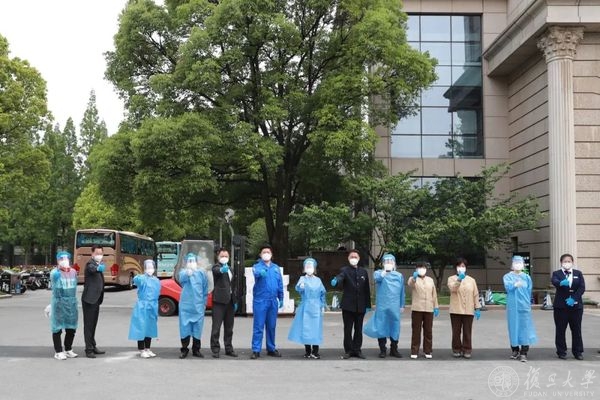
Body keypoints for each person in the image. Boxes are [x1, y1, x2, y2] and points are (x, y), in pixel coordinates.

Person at [331, 249, 371, 359]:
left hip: (361, 305)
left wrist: (368, 305)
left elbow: (366, 289)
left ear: (359, 258)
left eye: (355, 257)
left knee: (359, 329)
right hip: (348, 305)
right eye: (351, 257)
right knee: (348, 329)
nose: (353, 259)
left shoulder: (363, 272)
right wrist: (336, 281)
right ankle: (348, 350)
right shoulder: (344, 270)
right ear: (348, 259)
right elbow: (340, 277)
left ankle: (357, 350)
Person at [364, 253, 405, 358]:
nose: (388, 263)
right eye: (386, 261)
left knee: (395, 326)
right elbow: (377, 279)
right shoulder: (378, 273)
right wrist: (384, 273)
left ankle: (394, 349)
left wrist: (402, 305)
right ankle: (382, 349)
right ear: (383, 263)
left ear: (394, 263)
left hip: (394, 306)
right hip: (382, 306)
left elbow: (402, 292)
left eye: (391, 261)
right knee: (381, 326)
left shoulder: (399, 276)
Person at [288, 257, 326, 359]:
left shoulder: (318, 280)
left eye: (311, 266)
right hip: (306, 306)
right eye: (307, 266)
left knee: (316, 329)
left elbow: (322, 293)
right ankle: (308, 351)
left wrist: (323, 305)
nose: (309, 268)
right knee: (306, 328)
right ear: (304, 268)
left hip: (316, 306)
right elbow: (298, 289)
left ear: (314, 268)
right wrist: (301, 287)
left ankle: (315, 351)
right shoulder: (302, 279)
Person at [250, 245, 284, 359]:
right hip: (260, 300)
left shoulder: (276, 268)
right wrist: (261, 273)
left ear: (271, 254)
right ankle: (256, 350)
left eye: (268, 252)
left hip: (272, 300)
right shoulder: (257, 266)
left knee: (271, 326)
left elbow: (280, 283)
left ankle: (271, 348)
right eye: (264, 252)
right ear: (260, 254)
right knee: (258, 326)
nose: (266, 254)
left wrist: (281, 297)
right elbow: (256, 273)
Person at [551, 253, 585, 360]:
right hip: (561, 307)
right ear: (561, 262)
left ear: (572, 262)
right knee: (560, 330)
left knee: (576, 330)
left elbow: (582, 288)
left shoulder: (578, 273)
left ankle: (578, 351)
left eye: (569, 261)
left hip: (576, 307)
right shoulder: (557, 273)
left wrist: (574, 298)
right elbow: (554, 281)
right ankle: (561, 351)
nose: (567, 263)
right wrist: (561, 283)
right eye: (565, 261)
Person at [503, 255, 537, 362]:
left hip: (524, 306)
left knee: (525, 328)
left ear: (523, 265)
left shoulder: (527, 277)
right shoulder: (507, 277)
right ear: (512, 264)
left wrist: (528, 303)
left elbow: (529, 291)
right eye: (515, 262)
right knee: (513, 327)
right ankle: (515, 350)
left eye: (520, 262)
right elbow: (508, 288)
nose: (517, 264)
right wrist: (514, 285)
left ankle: (524, 352)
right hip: (513, 307)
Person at [447, 257, 481, 359]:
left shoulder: (471, 280)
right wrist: (459, 279)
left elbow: (475, 294)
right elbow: (453, 289)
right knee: (456, 331)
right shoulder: (451, 279)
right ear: (456, 267)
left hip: (468, 310)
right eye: (459, 266)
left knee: (467, 331)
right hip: (456, 310)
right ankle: (456, 349)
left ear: (466, 267)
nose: (461, 268)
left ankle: (467, 349)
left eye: (463, 266)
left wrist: (477, 307)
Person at [48, 251, 79, 360]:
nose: (64, 261)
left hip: (71, 302)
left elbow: (75, 285)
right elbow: (54, 288)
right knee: (57, 328)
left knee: (71, 327)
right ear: (57, 260)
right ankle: (58, 351)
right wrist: (55, 278)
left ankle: (68, 349)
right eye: (61, 259)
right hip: (59, 302)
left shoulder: (73, 272)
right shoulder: (54, 273)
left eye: (66, 258)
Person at [178, 253, 209, 359]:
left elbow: (205, 289)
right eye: (189, 261)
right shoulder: (183, 272)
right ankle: (184, 350)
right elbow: (181, 279)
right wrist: (187, 274)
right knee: (184, 328)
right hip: (185, 306)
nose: (191, 263)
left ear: (196, 262)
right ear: (186, 262)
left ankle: (196, 350)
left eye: (193, 261)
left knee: (197, 328)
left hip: (198, 305)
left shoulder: (201, 273)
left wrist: (204, 303)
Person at [128, 259, 160, 358]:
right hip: (142, 306)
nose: (150, 269)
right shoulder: (142, 279)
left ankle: (148, 348)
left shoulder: (156, 280)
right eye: (148, 267)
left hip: (152, 306)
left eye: (152, 267)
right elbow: (136, 280)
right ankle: (141, 349)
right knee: (141, 327)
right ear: (145, 268)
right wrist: (139, 276)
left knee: (150, 327)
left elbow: (157, 293)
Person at [210, 248, 238, 358]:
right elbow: (217, 271)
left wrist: (235, 300)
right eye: (222, 256)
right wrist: (222, 270)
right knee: (216, 327)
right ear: (218, 257)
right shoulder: (216, 267)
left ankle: (229, 348)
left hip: (230, 301)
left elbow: (233, 286)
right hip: (219, 301)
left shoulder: (230, 269)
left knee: (229, 328)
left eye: (226, 256)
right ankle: (215, 349)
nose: (224, 258)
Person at [407, 261, 439, 359]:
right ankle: (414, 351)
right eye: (419, 268)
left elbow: (434, 294)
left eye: (423, 268)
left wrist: (436, 306)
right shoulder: (413, 279)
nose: (422, 269)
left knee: (428, 331)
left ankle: (428, 350)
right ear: (416, 269)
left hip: (429, 308)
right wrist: (414, 278)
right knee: (416, 331)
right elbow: (410, 284)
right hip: (417, 308)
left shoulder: (430, 280)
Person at [81, 244, 106, 358]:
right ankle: (88, 349)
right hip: (89, 299)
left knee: (93, 324)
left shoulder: (98, 263)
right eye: (97, 253)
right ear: (92, 254)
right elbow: (92, 269)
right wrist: (98, 268)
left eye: (101, 253)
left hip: (96, 299)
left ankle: (93, 345)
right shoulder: (90, 264)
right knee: (88, 325)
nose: (99, 255)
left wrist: (99, 267)